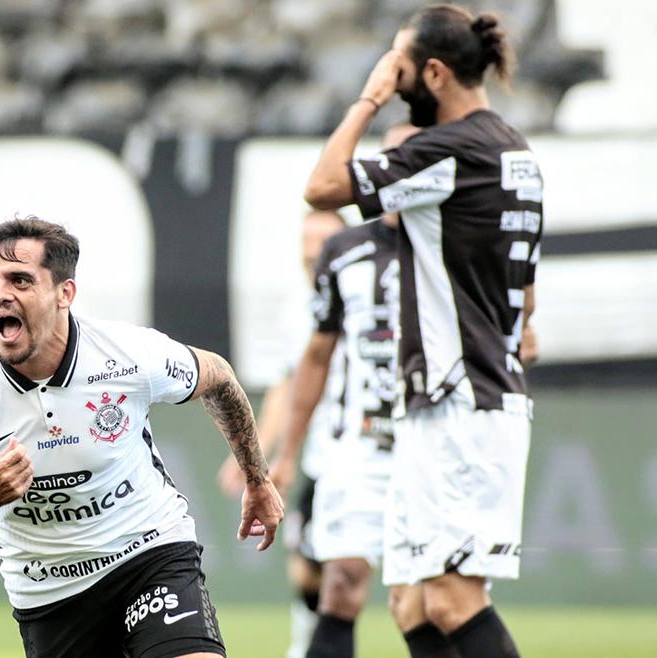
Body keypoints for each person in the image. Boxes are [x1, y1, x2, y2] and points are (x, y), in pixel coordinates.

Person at [0, 217, 284, 658]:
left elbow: (218, 377)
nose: (0, 294)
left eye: (20, 280)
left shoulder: (127, 355)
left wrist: (257, 479)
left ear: (64, 293)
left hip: (147, 551)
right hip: (49, 592)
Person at [303, 5, 542, 658]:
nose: (394, 81)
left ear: (433, 73)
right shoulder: (514, 151)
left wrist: (367, 98)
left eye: (401, 68)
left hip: (461, 399)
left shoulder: (451, 151)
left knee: (452, 599)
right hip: (453, 399)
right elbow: (527, 308)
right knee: (411, 603)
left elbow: (322, 187)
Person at [270, 123, 417, 658]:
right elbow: (309, 362)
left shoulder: (460, 247)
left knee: (431, 603)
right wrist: (285, 452)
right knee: (336, 582)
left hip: (434, 445)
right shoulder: (347, 252)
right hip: (353, 449)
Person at [216, 210, 348, 658]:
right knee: (308, 571)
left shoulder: (366, 298)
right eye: (307, 241)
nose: (313, 251)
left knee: (353, 573)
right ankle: (306, 642)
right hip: (320, 456)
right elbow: (286, 385)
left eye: (324, 241)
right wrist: (259, 454)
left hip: (366, 453)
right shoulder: (296, 306)